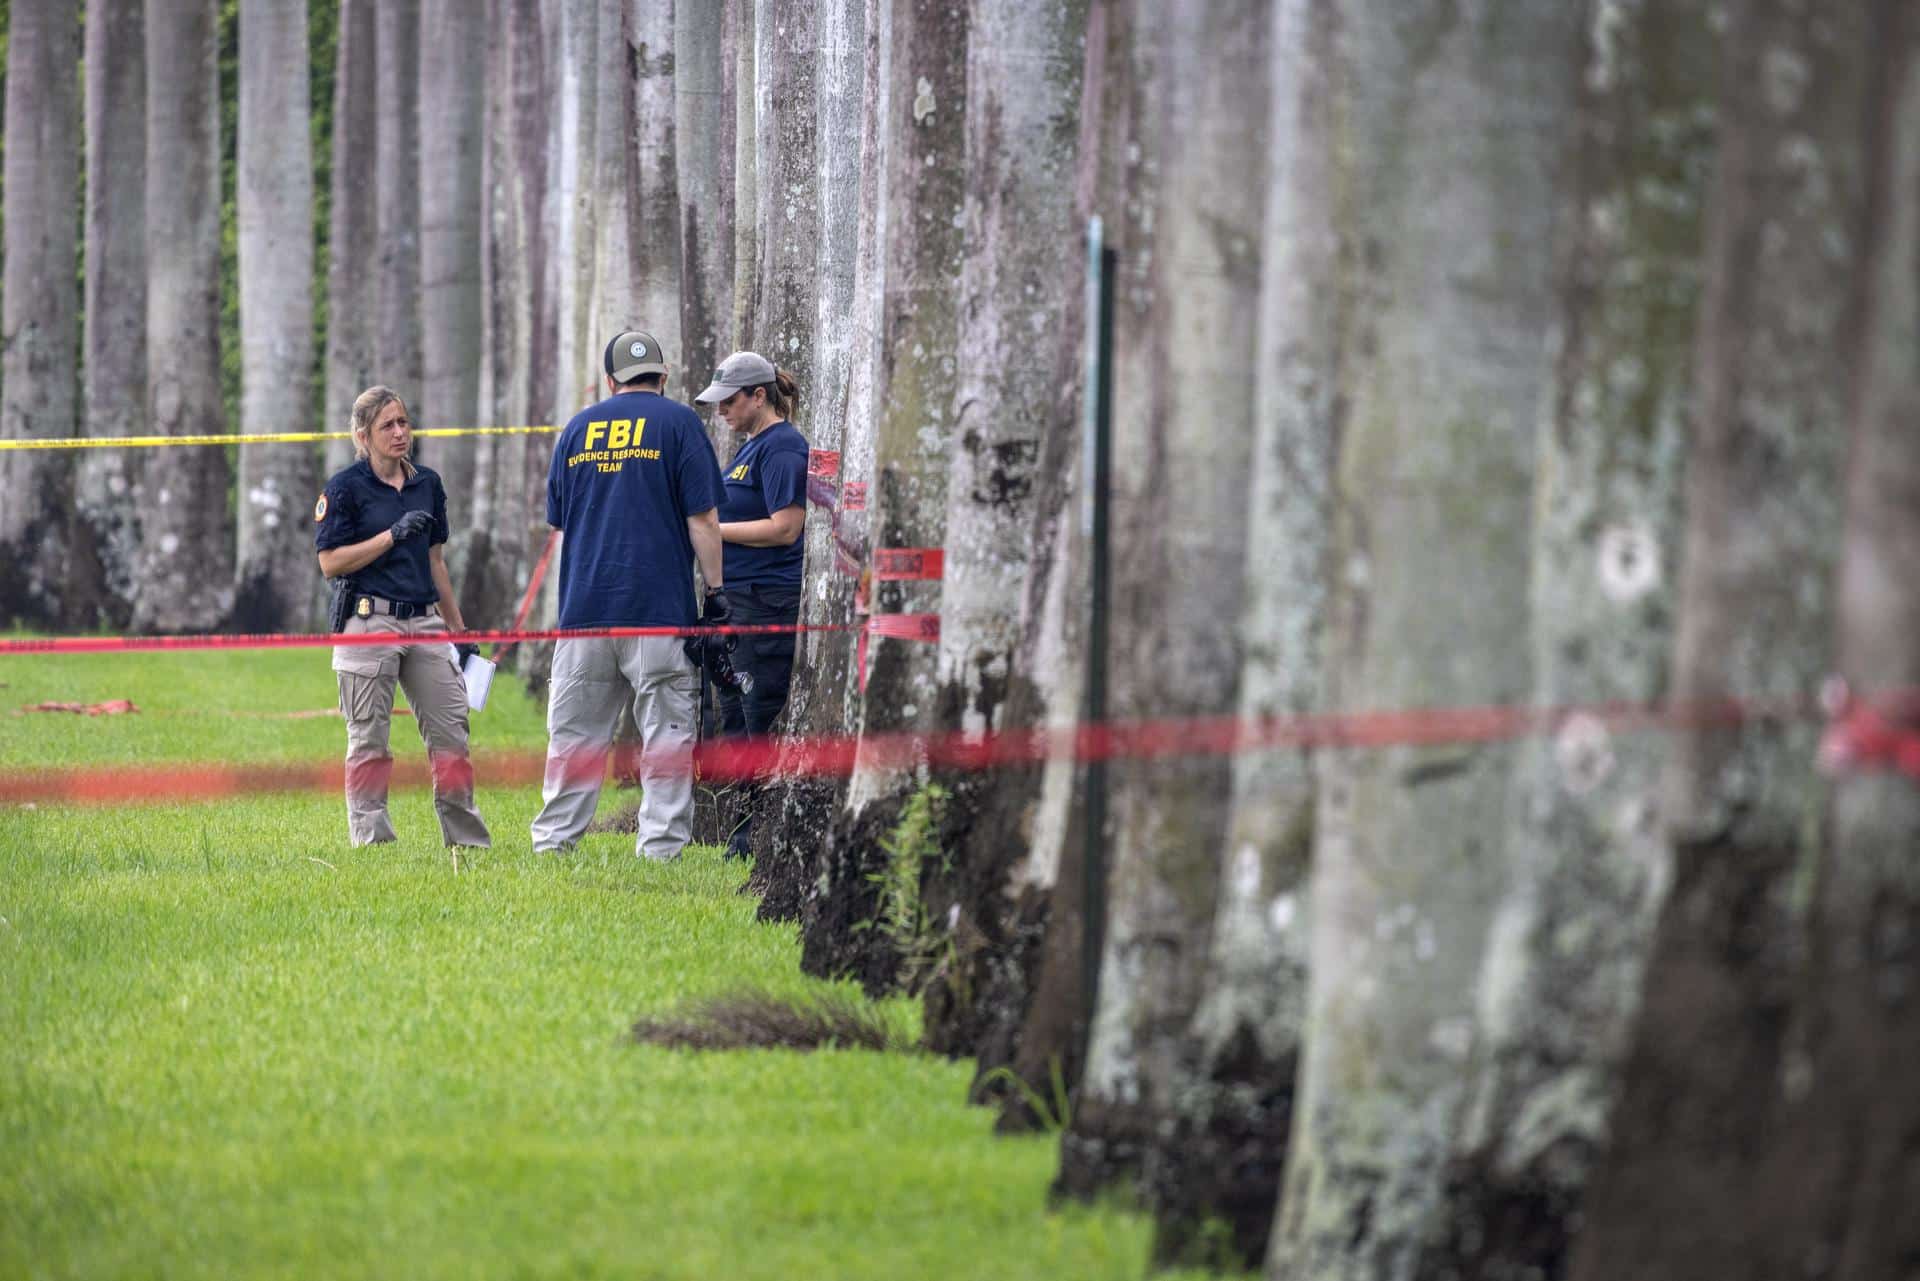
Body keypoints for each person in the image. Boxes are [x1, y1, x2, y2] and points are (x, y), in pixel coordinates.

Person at [531, 329, 728, 860]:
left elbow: (559, 521)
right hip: (659, 613)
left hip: (584, 613)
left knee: (574, 740)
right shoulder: (681, 423)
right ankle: (660, 851)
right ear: (663, 378)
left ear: (609, 381)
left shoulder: (575, 431)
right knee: (666, 737)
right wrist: (717, 593)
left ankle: (553, 845)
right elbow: (704, 521)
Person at [314, 386, 491, 849]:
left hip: (426, 622)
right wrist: (390, 536)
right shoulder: (345, 488)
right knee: (370, 741)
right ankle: (373, 842)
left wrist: (459, 631)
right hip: (370, 621)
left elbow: (437, 563)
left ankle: (467, 840)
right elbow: (330, 562)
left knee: (452, 733)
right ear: (362, 435)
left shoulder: (427, 484)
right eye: (387, 426)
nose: (399, 433)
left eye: (403, 422)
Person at [693, 351, 809, 861]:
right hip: (736, 604)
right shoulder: (748, 449)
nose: (721, 411)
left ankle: (754, 835)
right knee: (734, 717)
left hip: (766, 605)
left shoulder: (782, 449)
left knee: (756, 715)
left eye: (730, 401)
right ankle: (740, 832)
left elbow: (786, 527)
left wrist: (711, 531)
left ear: (759, 396)